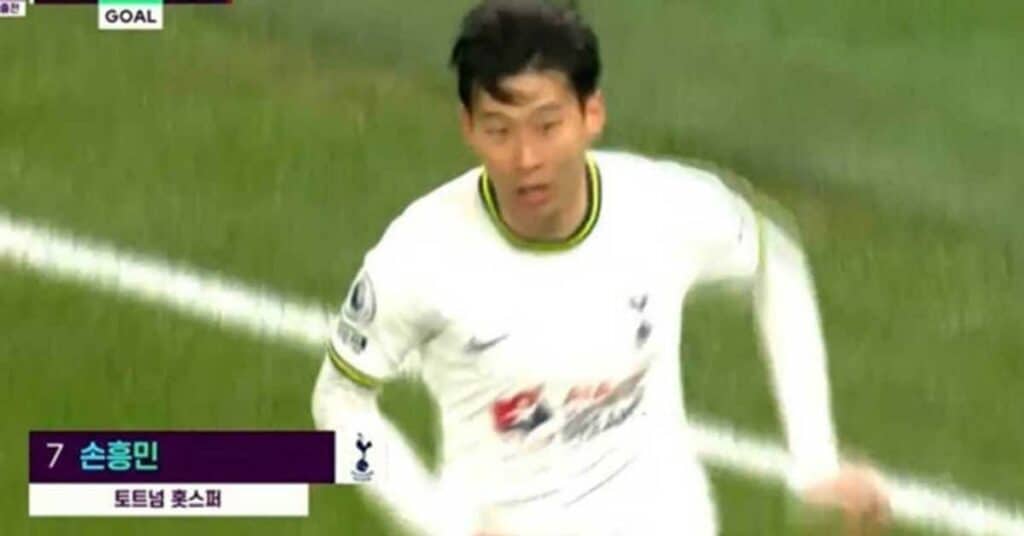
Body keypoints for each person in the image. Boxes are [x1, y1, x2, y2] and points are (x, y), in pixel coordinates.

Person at [311, 1, 889, 534]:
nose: (526, 158)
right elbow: (338, 403)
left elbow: (775, 263)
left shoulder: (662, 209)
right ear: (468, 127)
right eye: (499, 130)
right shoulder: (421, 254)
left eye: (547, 125)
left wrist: (816, 458)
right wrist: (441, 521)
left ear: (592, 113)